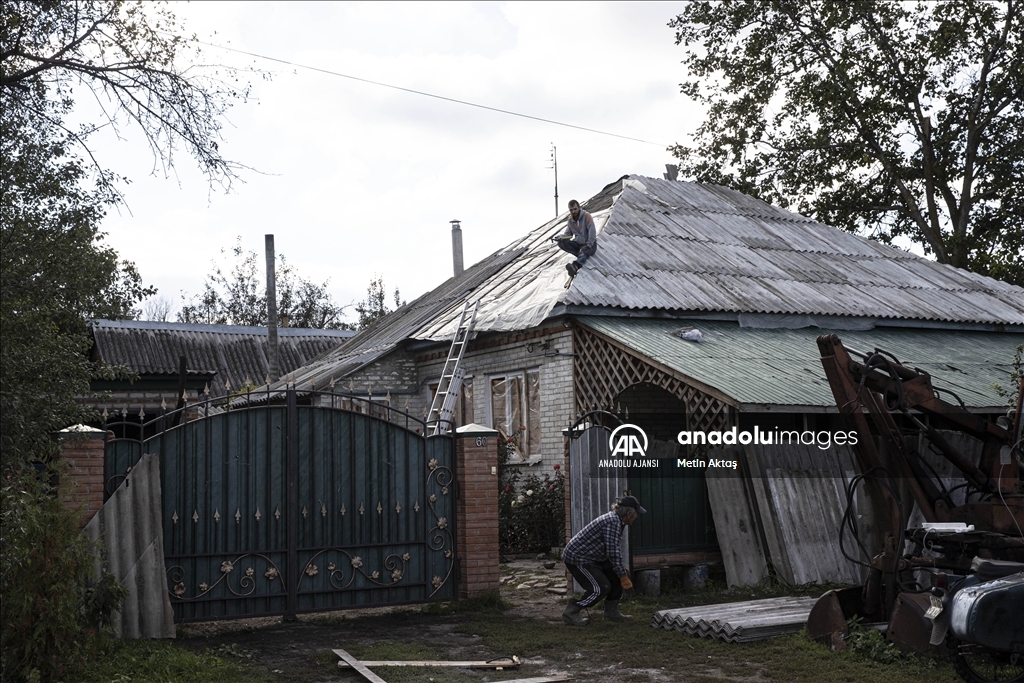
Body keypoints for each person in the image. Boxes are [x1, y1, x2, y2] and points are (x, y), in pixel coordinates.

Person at [561, 495, 646, 626]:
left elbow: (611, 551)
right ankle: (571, 611)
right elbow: (613, 552)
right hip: (578, 558)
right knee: (600, 588)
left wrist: (621, 573)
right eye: (636, 513)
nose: (636, 517)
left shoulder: (617, 520)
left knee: (617, 576)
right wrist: (623, 576)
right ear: (629, 513)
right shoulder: (612, 522)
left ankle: (611, 613)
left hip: (594, 556)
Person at [556, 199, 597, 277]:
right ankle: (580, 254)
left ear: (579, 207)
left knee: (584, 251)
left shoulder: (586, 216)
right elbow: (568, 234)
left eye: (575, 209)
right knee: (561, 243)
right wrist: (561, 237)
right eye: (571, 210)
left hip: (589, 244)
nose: (573, 211)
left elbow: (592, 232)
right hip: (578, 244)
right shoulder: (570, 220)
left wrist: (589, 245)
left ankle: (575, 266)